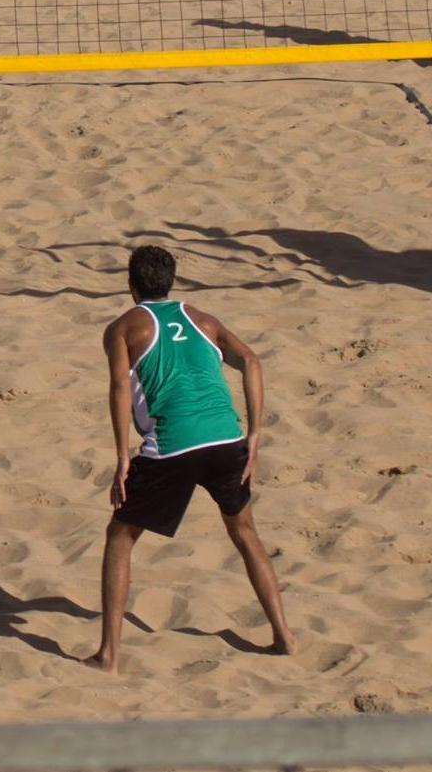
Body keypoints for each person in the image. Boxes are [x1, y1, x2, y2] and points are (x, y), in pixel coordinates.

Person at [83, 245, 294, 674]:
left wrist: (123, 456)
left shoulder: (123, 327)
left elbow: (120, 391)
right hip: (225, 440)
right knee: (245, 533)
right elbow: (251, 361)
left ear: (131, 284)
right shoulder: (204, 319)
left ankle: (108, 656)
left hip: (173, 446)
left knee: (120, 537)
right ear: (171, 280)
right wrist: (254, 433)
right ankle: (284, 636)